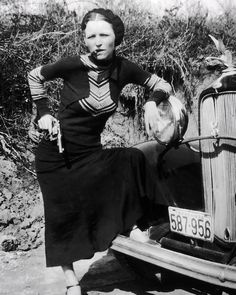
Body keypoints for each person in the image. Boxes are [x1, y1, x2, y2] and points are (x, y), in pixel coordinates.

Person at [28, 8, 171, 295]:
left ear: (116, 37)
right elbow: (34, 76)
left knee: (132, 158)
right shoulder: (72, 65)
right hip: (56, 155)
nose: (97, 42)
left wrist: (152, 102)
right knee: (63, 217)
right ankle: (71, 282)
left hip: (91, 153)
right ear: (85, 40)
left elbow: (162, 84)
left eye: (104, 35)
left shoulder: (124, 68)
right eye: (91, 36)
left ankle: (133, 226)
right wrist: (44, 112)